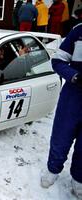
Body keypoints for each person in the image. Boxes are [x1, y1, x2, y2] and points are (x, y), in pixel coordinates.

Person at [40, 18, 82, 199]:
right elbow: (57, 60)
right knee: (61, 136)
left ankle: (79, 179)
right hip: (73, 95)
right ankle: (53, 170)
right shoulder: (78, 33)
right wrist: (74, 76)